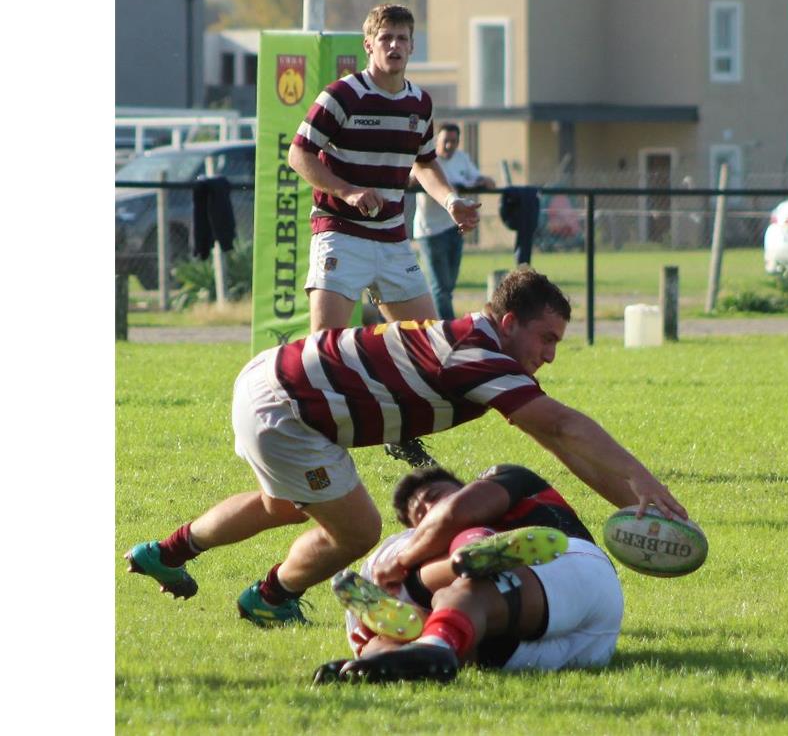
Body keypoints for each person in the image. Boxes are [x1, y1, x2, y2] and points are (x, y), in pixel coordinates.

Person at [124, 268, 687, 629]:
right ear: (510, 323)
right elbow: (563, 426)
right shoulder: (477, 354)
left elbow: (557, 439)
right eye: (546, 339)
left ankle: (166, 553)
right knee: (359, 532)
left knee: (283, 505)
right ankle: (270, 597)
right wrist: (645, 482)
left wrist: (631, 504)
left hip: (275, 382)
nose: (550, 355)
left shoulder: (481, 347)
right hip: (287, 408)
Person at [287, 3, 481, 469]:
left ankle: (400, 433)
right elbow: (299, 154)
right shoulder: (342, 95)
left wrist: (451, 200)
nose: (395, 46)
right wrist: (347, 191)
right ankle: (312, 438)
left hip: (393, 241)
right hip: (340, 234)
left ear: (413, 46)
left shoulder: (420, 103)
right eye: (386, 38)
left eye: (403, 39)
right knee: (326, 345)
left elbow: (426, 163)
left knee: (428, 345)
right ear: (368, 44)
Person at [314, 463, 624, 683]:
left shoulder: (508, 480)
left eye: (435, 495)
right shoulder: (403, 542)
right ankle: (385, 661)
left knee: (457, 574)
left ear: (466, 486)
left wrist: (407, 560)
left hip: (563, 562)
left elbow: (455, 513)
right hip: (523, 651)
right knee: (451, 598)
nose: (428, 509)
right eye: (419, 515)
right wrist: (371, 647)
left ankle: (466, 559)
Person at [412, 123, 495, 321]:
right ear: (437, 141)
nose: (450, 145)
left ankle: (436, 324)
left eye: (454, 141)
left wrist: (478, 183)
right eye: (445, 141)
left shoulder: (462, 159)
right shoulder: (428, 160)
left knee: (448, 286)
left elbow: (486, 181)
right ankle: (447, 329)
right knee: (439, 287)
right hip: (430, 231)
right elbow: (411, 180)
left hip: (455, 228)